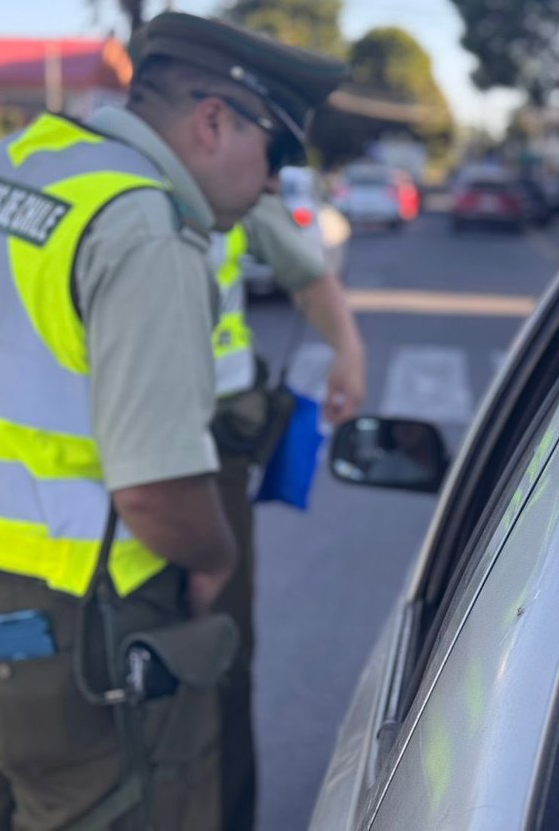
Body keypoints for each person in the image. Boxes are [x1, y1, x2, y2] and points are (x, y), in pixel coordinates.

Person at [0, 10, 348, 829]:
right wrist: (215, 559)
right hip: (63, 634)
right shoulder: (145, 231)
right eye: (276, 155)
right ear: (212, 122)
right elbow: (158, 495)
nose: (275, 185)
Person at [208, 172, 366, 831]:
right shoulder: (116, 189)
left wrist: (348, 348)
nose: (271, 177)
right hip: (108, 456)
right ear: (211, 120)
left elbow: (307, 275)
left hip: (214, 451)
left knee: (220, 655)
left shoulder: (237, 188)